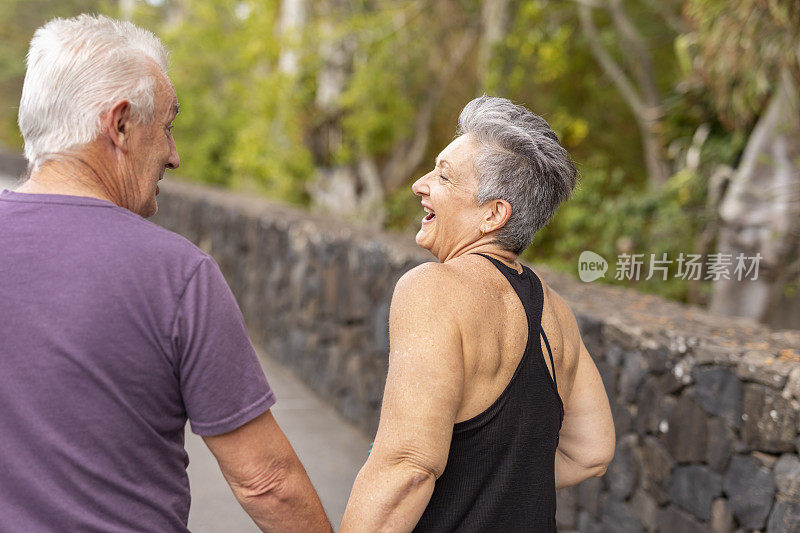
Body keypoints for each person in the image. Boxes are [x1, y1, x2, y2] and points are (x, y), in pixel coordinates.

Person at [0, 15, 330, 532]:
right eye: (168, 126)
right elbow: (267, 481)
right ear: (122, 124)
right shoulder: (177, 274)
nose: (173, 156)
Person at [340, 96, 616, 532]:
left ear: (493, 214)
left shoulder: (432, 288)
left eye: (444, 176)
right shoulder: (557, 312)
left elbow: (407, 468)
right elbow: (592, 452)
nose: (419, 183)